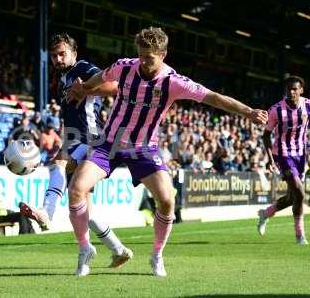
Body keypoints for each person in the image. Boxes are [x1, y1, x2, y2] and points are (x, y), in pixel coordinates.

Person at [67, 27, 268, 276]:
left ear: (163, 54)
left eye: (149, 58)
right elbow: (101, 78)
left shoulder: (174, 82)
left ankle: (157, 255)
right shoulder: (124, 66)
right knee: (76, 188)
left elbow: (214, 98)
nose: (143, 62)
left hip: (143, 147)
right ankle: (85, 249)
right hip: (110, 142)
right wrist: (84, 87)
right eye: (141, 55)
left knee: (167, 200)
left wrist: (248, 112)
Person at [20, 33, 133, 269]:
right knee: (83, 210)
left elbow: (114, 86)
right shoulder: (64, 78)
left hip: (90, 137)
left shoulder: (82, 68)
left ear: (74, 53)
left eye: (62, 54)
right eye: (54, 56)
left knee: (58, 165)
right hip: (75, 137)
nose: (58, 59)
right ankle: (118, 250)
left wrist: (87, 89)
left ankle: (47, 213)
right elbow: (73, 113)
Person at [257, 75, 308, 245]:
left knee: (293, 197)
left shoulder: (307, 105)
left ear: (301, 90)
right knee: (300, 192)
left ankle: (266, 213)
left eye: (295, 89)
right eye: (289, 89)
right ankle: (300, 235)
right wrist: (270, 159)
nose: (291, 92)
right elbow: (265, 135)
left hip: (300, 155)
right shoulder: (276, 110)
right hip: (283, 154)